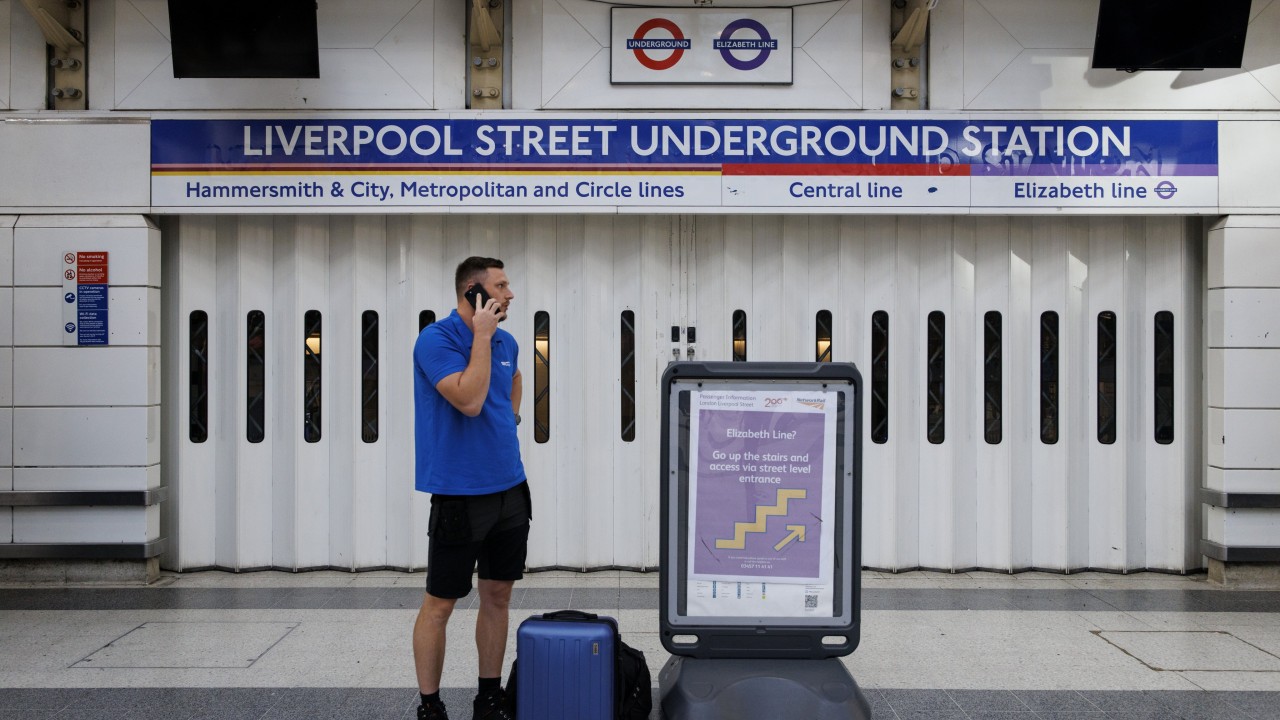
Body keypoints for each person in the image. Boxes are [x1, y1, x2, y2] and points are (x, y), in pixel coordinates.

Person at [412, 256, 529, 720]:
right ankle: (430, 705)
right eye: (500, 286)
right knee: (441, 603)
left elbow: (513, 377)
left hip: (510, 487)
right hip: (460, 493)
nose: (510, 294)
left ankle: (489, 697)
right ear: (473, 293)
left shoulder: (507, 341)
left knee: (498, 596)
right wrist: (480, 335)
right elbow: (469, 400)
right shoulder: (436, 339)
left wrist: (511, 418)